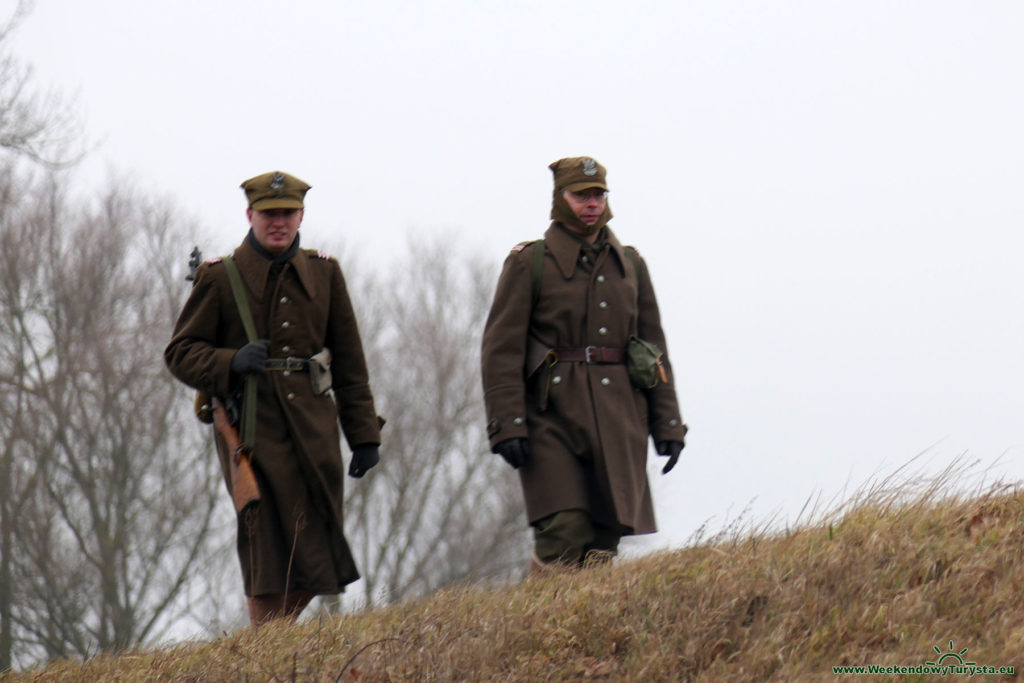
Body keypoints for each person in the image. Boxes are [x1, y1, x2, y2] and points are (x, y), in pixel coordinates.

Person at [165, 171, 383, 624]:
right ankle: (266, 646)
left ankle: (269, 644)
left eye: (286, 214)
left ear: (301, 215)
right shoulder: (220, 278)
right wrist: (230, 362)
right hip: (252, 437)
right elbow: (180, 353)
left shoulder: (324, 273)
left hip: (315, 434)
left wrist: (364, 435)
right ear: (250, 215)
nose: (278, 222)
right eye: (268, 214)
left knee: (317, 545)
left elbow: (349, 362)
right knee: (266, 549)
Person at [480, 156, 687, 572]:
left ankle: (580, 633)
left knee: (601, 544)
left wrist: (667, 422)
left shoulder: (629, 264)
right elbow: (500, 350)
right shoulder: (529, 262)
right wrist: (507, 424)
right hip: (550, 416)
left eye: (598, 195)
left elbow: (652, 349)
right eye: (581, 195)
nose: (591, 203)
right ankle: (533, 630)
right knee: (564, 528)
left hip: (619, 417)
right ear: (560, 199)